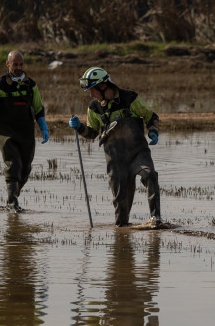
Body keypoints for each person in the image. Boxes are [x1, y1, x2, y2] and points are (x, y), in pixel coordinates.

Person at [68, 67, 162, 228]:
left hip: (138, 151)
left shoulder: (129, 98)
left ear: (103, 86)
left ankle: (156, 219)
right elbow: (92, 133)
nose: (91, 95)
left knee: (150, 175)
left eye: (92, 90)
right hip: (115, 159)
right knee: (120, 200)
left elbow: (150, 116)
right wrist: (79, 127)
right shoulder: (94, 108)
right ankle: (122, 231)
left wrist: (153, 131)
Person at [0, 50, 49, 212]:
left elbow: (38, 108)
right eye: (15, 64)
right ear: (7, 63)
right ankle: (12, 202)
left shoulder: (31, 85)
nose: (18, 67)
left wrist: (43, 126)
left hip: (26, 131)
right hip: (6, 132)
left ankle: (13, 195)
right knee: (13, 164)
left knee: (26, 168)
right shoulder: (0, 85)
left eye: (21, 64)